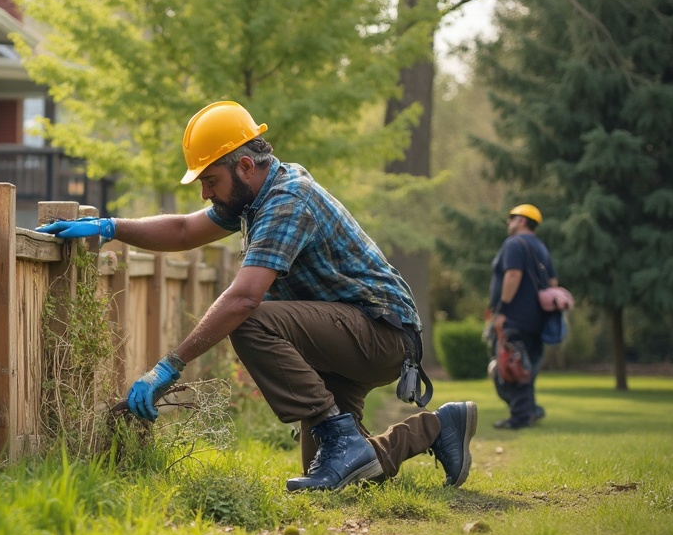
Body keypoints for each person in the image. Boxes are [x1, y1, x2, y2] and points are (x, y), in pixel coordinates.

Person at [38, 101, 477, 491]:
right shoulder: (254, 198)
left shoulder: (287, 200)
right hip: (347, 333)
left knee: (249, 317)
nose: (205, 193)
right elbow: (186, 229)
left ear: (246, 166)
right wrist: (111, 228)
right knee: (336, 476)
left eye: (210, 180)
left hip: (382, 334)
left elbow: (244, 300)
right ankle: (437, 427)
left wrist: (168, 367)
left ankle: (339, 435)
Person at [488, 204, 558, 429]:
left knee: (511, 368)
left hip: (515, 318)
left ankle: (520, 417)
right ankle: (531, 410)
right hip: (538, 321)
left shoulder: (514, 244)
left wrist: (503, 311)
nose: (508, 222)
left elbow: (513, 274)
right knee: (526, 368)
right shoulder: (542, 248)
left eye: (512, 218)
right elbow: (553, 284)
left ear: (522, 221)